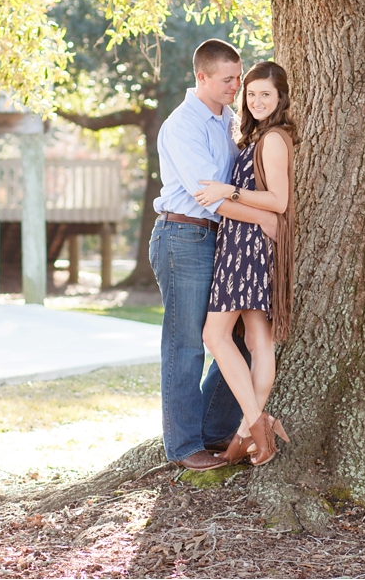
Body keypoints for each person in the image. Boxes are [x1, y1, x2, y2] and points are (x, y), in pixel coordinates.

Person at [150, 39, 279, 472]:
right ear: (201, 78)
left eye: (238, 77)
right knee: (187, 343)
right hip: (183, 237)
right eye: (228, 79)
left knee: (234, 338)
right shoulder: (183, 125)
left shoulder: (230, 120)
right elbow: (209, 197)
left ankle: (214, 428)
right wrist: (262, 219)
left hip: (223, 242)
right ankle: (185, 446)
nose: (236, 86)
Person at [193, 61, 297, 466]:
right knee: (256, 340)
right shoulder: (255, 136)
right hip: (244, 242)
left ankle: (253, 427)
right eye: (251, 94)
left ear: (280, 98)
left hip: (249, 248)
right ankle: (250, 431)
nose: (256, 101)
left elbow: (279, 202)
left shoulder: (272, 138)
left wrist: (228, 191)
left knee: (216, 335)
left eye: (265, 95)